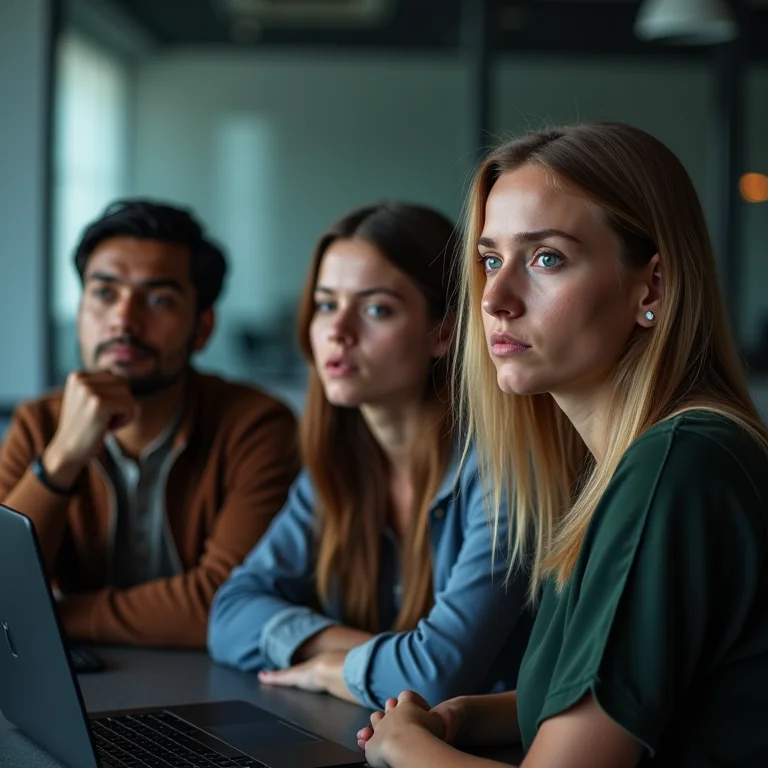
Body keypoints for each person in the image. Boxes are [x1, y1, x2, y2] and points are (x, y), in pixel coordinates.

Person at [358, 122, 768, 767]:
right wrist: (462, 715)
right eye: (490, 260)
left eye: (546, 258)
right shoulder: (624, 465)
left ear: (652, 287)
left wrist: (404, 745)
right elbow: (614, 691)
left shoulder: (676, 464)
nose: (495, 299)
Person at [207, 202, 535, 708]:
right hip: (373, 728)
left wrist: (329, 668)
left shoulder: (502, 472)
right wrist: (382, 658)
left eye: (376, 309)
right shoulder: (337, 467)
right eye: (325, 305)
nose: (337, 331)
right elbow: (228, 616)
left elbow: (436, 679)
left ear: (443, 333)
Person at [0, 199, 299, 648]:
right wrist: (61, 460)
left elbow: (227, 605)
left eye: (159, 300)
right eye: (104, 293)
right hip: (76, 676)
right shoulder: (38, 422)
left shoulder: (255, 426)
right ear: (79, 312)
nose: (124, 320)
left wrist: (51, 616)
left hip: (213, 679)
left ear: (202, 328)